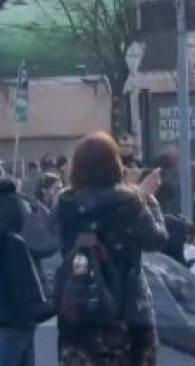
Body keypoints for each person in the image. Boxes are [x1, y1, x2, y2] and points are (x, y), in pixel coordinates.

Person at [54, 132, 168, 366]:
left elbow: (51, 238)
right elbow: (157, 239)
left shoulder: (64, 205)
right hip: (127, 312)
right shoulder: (129, 204)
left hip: (77, 309)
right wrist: (147, 198)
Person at [0, 178, 52, 366]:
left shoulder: (8, 207)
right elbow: (47, 244)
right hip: (26, 305)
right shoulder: (22, 202)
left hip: (9, 309)